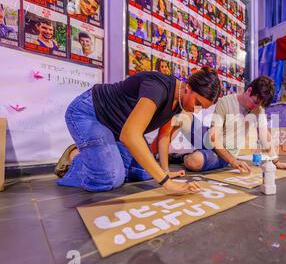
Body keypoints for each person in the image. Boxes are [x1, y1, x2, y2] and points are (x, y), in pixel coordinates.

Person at [55, 67, 222, 194]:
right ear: (188, 87)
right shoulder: (159, 87)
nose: (197, 110)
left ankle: (98, 154)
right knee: (110, 178)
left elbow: (164, 137)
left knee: (143, 172)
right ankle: (74, 157)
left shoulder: (179, 104)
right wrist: (167, 183)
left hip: (117, 129)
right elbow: (131, 135)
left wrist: (165, 171)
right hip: (91, 114)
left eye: (202, 108)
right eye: (198, 103)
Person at [172, 76, 286, 173]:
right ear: (249, 91)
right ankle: (162, 152)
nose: (255, 107)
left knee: (195, 161)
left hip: (224, 154)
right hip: (211, 139)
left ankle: (182, 157)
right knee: (182, 115)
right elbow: (213, 138)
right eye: (255, 102)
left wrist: (276, 161)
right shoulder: (225, 102)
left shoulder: (259, 110)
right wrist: (233, 161)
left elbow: (265, 136)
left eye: (259, 105)